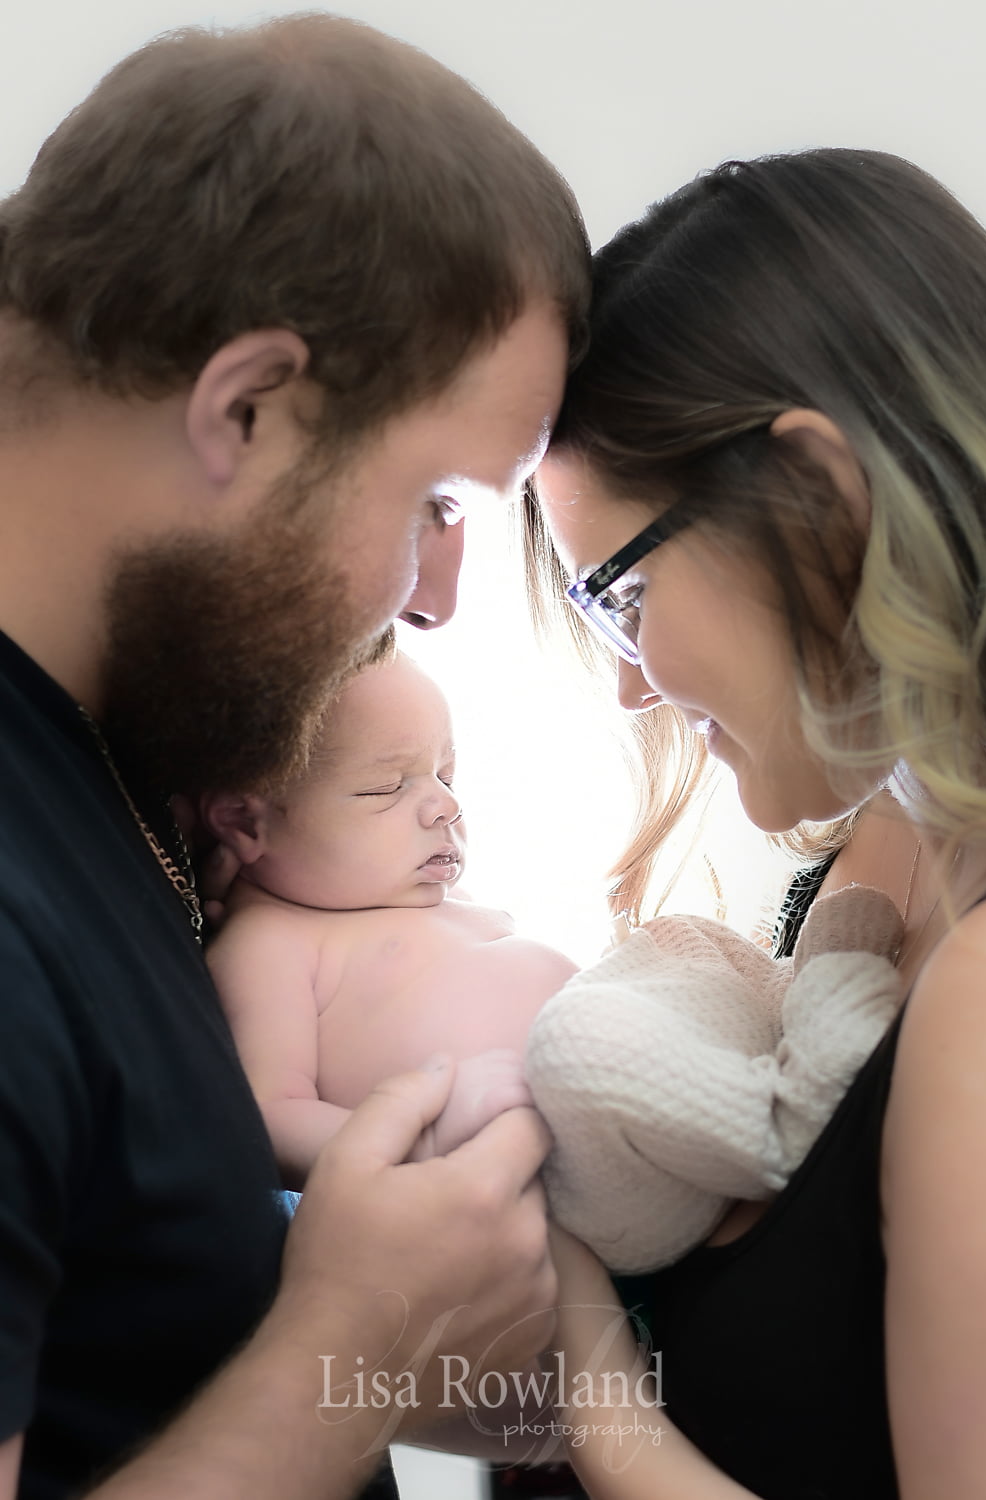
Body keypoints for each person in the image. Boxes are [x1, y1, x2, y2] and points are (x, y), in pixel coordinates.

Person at [0, 13, 589, 1499]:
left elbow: (139, 1350)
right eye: (439, 498)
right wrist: (355, 1345)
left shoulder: (136, 766)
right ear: (246, 407)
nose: (438, 597)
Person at [522, 148, 986, 1498]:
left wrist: (595, 1389)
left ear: (820, 498)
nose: (627, 683)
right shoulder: (881, 855)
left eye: (618, 594)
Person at [203, 640, 578, 1186]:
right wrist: (421, 1146)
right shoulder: (270, 943)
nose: (447, 805)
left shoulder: (430, 899)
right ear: (244, 823)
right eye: (387, 787)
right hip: (495, 1184)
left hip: (613, 1082)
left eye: (446, 776)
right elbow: (271, 1115)